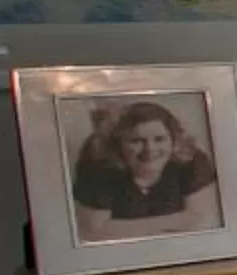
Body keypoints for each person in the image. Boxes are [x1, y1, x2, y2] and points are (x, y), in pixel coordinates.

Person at [71, 99, 221, 242]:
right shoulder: (98, 167)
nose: (150, 149)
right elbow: (95, 232)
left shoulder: (192, 161)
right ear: (117, 144)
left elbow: (197, 221)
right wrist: (174, 221)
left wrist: (121, 228)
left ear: (174, 140)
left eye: (159, 139)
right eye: (136, 141)